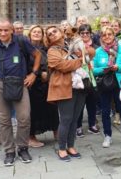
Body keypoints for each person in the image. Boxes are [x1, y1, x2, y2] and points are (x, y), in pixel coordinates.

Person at [0, 19, 41, 166]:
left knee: (24, 118)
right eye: (0, 30)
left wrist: (34, 74)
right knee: (4, 120)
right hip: (0, 84)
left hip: (19, 83)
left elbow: (38, 55)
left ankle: (22, 148)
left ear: (12, 31)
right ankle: (9, 151)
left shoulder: (21, 41)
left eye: (6, 30)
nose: (3, 33)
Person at [45, 26, 86, 162]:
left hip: (79, 87)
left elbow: (90, 52)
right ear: (48, 39)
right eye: (50, 34)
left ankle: (71, 146)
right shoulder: (52, 51)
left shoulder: (70, 45)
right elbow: (62, 66)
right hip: (63, 87)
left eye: (54, 31)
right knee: (66, 119)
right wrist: (81, 61)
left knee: (75, 119)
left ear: (62, 32)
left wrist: (84, 57)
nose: (53, 34)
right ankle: (62, 148)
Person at [93, 26, 121, 148]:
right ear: (101, 37)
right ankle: (107, 135)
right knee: (105, 111)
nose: (107, 37)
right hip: (104, 85)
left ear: (114, 35)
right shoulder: (98, 52)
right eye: (104, 35)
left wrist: (118, 67)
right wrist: (104, 69)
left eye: (109, 34)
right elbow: (94, 70)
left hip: (118, 83)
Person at [27, 25, 59, 147]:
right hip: (32, 84)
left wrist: (48, 73)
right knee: (33, 111)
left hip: (47, 84)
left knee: (52, 109)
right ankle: (31, 137)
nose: (36, 33)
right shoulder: (26, 48)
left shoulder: (46, 48)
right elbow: (26, 65)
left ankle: (57, 132)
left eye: (39, 32)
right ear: (30, 34)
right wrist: (40, 73)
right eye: (34, 32)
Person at [76, 24, 100, 137]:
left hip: (93, 78)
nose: (85, 35)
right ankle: (78, 126)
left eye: (87, 33)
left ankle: (92, 124)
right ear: (79, 34)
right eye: (82, 33)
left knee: (92, 103)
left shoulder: (96, 46)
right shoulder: (76, 47)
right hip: (80, 78)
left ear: (91, 34)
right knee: (80, 104)